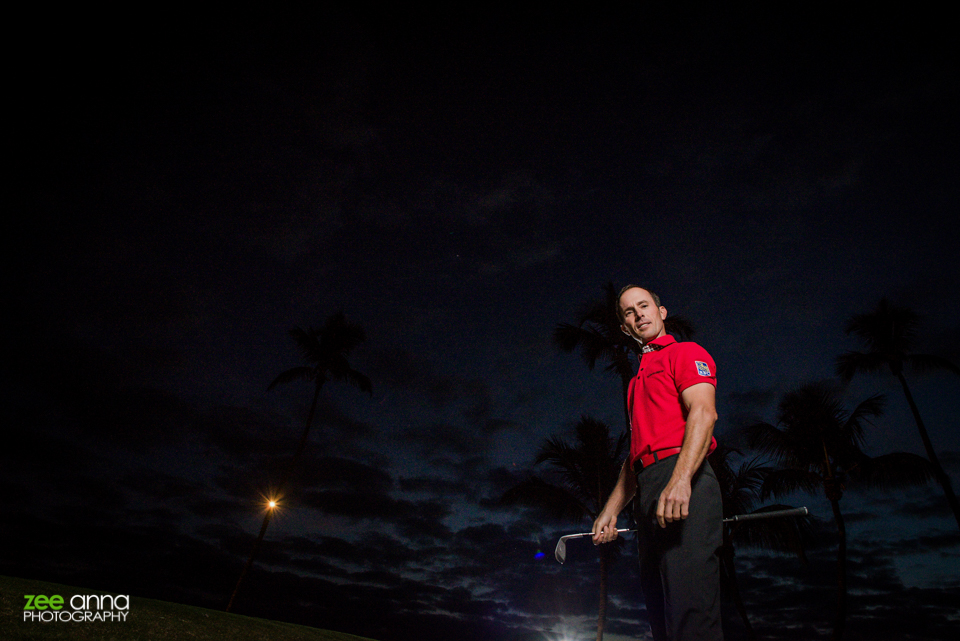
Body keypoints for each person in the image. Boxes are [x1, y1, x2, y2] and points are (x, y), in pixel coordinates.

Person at [592, 285, 723, 641]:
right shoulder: (636, 382)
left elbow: (704, 412)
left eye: (644, 306)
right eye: (629, 313)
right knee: (660, 616)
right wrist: (612, 510)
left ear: (661, 312)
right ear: (625, 328)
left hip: (685, 477)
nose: (639, 315)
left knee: (691, 611)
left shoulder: (685, 353)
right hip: (649, 487)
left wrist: (682, 480)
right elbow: (636, 456)